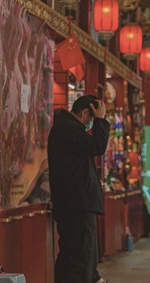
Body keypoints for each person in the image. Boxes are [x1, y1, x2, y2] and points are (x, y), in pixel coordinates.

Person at [47, 95, 110, 283]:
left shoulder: (65, 129)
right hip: (77, 205)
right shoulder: (68, 129)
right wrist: (101, 120)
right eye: (92, 119)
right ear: (84, 113)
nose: (91, 124)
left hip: (74, 203)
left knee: (74, 255)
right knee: (80, 258)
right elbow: (97, 146)